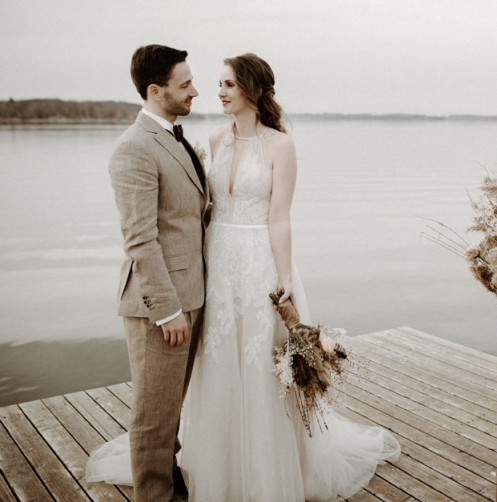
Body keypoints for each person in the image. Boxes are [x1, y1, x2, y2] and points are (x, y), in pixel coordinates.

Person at [178, 53, 400, 501]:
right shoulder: (215, 138)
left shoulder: (281, 146)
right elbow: (207, 210)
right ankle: (218, 466)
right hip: (218, 259)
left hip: (260, 258)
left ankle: (268, 473)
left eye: (228, 84)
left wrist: (285, 281)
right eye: (217, 83)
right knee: (218, 358)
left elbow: (279, 218)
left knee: (261, 364)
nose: (218, 91)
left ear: (252, 89)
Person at [93, 44, 209, 501]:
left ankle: (173, 487)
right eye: (185, 85)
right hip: (160, 307)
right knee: (153, 417)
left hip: (191, 294)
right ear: (156, 91)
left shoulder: (173, 137)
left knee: (171, 412)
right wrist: (166, 310)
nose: (195, 91)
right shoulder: (134, 149)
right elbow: (140, 239)